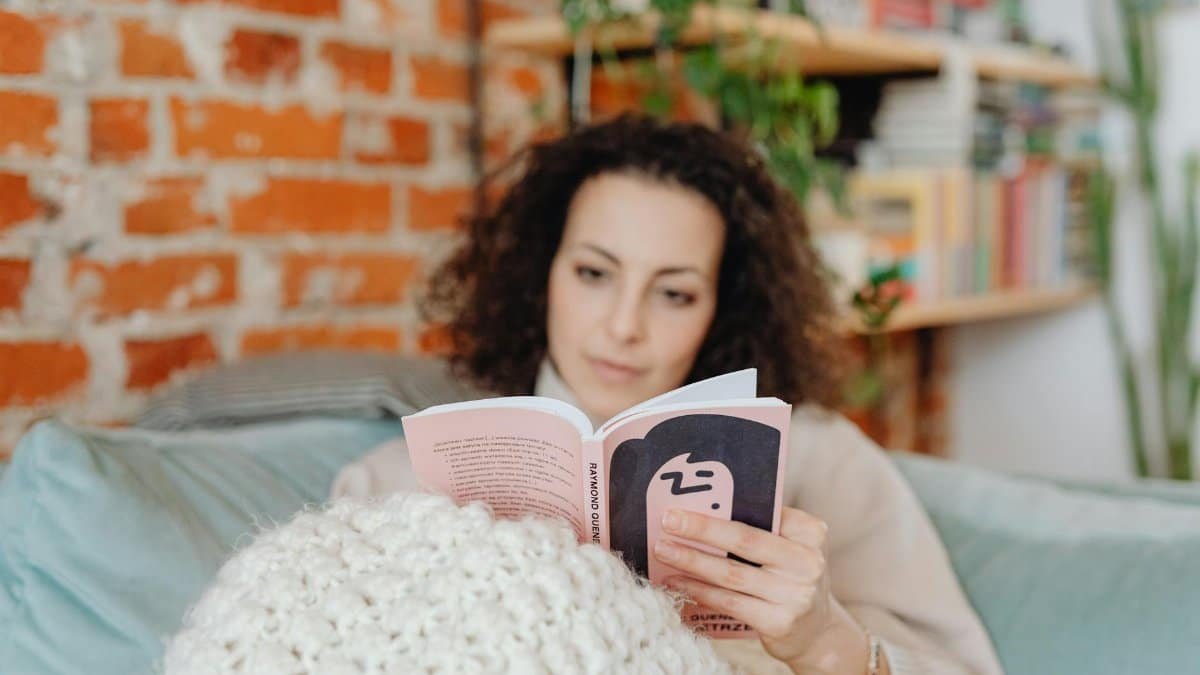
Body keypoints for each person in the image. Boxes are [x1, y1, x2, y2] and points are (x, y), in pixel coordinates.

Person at [331, 114, 1004, 675]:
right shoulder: (397, 482)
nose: (624, 326)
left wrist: (824, 641)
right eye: (594, 273)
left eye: (674, 292)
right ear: (542, 276)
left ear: (724, 306)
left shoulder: (821, 461)